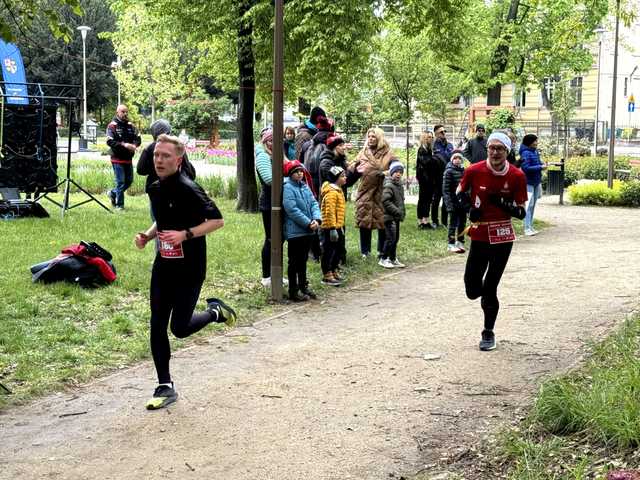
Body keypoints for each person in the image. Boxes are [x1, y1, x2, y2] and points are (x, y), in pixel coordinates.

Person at [134, 134, 237, 410]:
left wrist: (186, 234)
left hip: (190, 268)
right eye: (156, 155)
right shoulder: (155, 188)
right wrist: (147, 235)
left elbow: (217, 220)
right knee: (157, 324)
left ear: (178, 160)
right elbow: (162, 219)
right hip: (164, 265)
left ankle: (216, 312)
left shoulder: (189, 188)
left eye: (165, 156)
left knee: (178, 328)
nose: (159, 160)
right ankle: (164, 385)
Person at [457, 132, 528, 352]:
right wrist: (470, 209)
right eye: (492, 148)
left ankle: (488, 332)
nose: (495, 152)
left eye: (500, 149)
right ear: (487, 149)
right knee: (471, 288)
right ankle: (482, 295)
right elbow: (459, 193)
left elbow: (522, 213)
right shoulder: (473, 170)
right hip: (479, 235)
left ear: (507, 151)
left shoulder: (516, 176)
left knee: (490, 287)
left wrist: (502, 203)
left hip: (502, 237)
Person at [282, 160, 322, 302]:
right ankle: (293, 290)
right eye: (296, 172)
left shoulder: (304, 186)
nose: (300, 174)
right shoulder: (287, 187)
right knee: (294, 262)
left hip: (309, 230)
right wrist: (307, 223)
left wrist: (316, 219)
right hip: (296, 231)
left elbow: (313, 203)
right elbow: (292, 209)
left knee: (303, 260)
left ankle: (303, 286)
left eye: (301, 171)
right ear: (290, 174)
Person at [255, 127, 288, 288]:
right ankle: (266, 276)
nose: (273, 143)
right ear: (265, 141)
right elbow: (269, 179)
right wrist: (288, 180)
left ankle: (277, 274)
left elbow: (292, 167)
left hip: (281, 202)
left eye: (276, 140)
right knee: (271, 239)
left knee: (280, 239)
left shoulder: (278, 154)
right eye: (270, 140)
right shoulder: (262, 156)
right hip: (269, 203)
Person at [355, 128, 395, 258]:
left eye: (373, 136)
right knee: (364, 220)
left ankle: (381, 250)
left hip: (381, 190)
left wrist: (385, 173)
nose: (371, 138)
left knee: (382, 221)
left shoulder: (388, 153)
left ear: (379, 138)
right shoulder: (363, 152)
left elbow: (397, 168)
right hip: (365, 191)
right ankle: (365, 251)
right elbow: (353, 167)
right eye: (369, 136)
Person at [137, 119, 196, 195]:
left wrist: (153, 169)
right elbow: (188, 169)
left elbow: (140, 170)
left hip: (154, 188)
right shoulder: (176, 146)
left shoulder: (149, 148)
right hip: (176, 187)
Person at [106, 104, 141, 210]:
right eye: (123, 112)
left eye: (126, 112)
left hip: (128, 158)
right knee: (120, 182)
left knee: (129, 181)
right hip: (117, 158)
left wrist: (135, 145)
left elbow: (138, 138)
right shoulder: (112, 126)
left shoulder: (131, 125)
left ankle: (112, 193)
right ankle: (119, 205)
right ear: (117, 113)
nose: (125, 114)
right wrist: (125, 145)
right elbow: (110, 141)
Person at [320, 166, 347, 285]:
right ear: (336, 178)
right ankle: (327, 273)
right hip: (330, 227)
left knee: (338, 250)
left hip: (338, 225)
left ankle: (334, 269)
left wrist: (339, 226)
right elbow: (329, 211)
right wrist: (332, 228)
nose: (345, 178)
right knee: (329, 250)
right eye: (342, 176)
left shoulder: (339, 191)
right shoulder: (331, 193)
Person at [379, 161, 406, 268]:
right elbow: (385, 201)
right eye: (396, 172)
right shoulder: (389, 185)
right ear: (391, 173)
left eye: (400, 172)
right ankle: (383, 258)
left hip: (396, 217)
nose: (398, 174)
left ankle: (393, 258)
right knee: (390, 238)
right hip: (389, 217)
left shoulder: (399, 185)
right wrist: (397, 211)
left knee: (396, 238)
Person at [519, 134, 547, 236]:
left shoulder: (535, 151)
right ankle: (526, 228)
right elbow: (525, 168)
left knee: (533, 205)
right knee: (529, 205)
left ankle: (530, 226)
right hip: (528, 183)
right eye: (535, 141)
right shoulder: (525, 153)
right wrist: (540, 167)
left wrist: (542, 165)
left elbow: (538, 163)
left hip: (536, 181)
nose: (536, 143)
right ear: (530, 142)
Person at [415, 131, 442, 230]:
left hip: (429, 179)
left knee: (428, 199)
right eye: (429, 137)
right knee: (423, 199)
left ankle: (425, 220)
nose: (431, 139)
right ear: (424, 138)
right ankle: (421, 221)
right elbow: (426, 162)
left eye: (431, 137)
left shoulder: (429, 150)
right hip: (424, 179)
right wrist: (435, 159)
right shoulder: (422, 150)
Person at [442, 150, 467, 253]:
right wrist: (448, 204)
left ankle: (460, 241)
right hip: (453, 202)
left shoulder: (464, 171)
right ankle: (451, 243)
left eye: (459, 158)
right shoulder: (448, 172)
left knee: (462, 223)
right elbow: (445, 190)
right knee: (453, 223)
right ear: (452, 160)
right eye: (455, 158)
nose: (457, 160)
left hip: (462, 202)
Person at [431, 124, 453, 227]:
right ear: (436, 134)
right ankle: (435, 221)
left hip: (448, 176)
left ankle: (444, 221)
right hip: (436, 177)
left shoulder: (450, 145)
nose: (444, 134)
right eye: (441, 132)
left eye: (445, 131)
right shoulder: (433, 146)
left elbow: (452, 159)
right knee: (436, 199)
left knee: (446, 199)